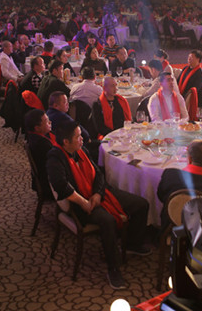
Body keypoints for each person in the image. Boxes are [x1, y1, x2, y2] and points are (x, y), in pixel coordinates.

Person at [46, 119, 150, 289]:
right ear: (66, 142)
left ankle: (133, 243)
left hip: (99, 194)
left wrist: (97, 194)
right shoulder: (55, 158)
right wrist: (84, 202)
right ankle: (113, 268)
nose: (82, 139)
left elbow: (99, 175)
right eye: (78, 137)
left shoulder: (81, 150)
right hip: (79, 204)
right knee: (108, 221)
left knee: (141, 204)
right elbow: (61, 186)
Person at [156, 139, 202, 229]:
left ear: (189, 159)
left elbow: (161, 196)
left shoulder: (170, 175)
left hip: (170, 227)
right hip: (201, 231)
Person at [24, 109, 55, 200]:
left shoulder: (34, 137)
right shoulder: (42, 144)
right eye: (46, 121)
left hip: (44, 180)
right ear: (37, 128)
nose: (50, 122)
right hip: (49, 186)